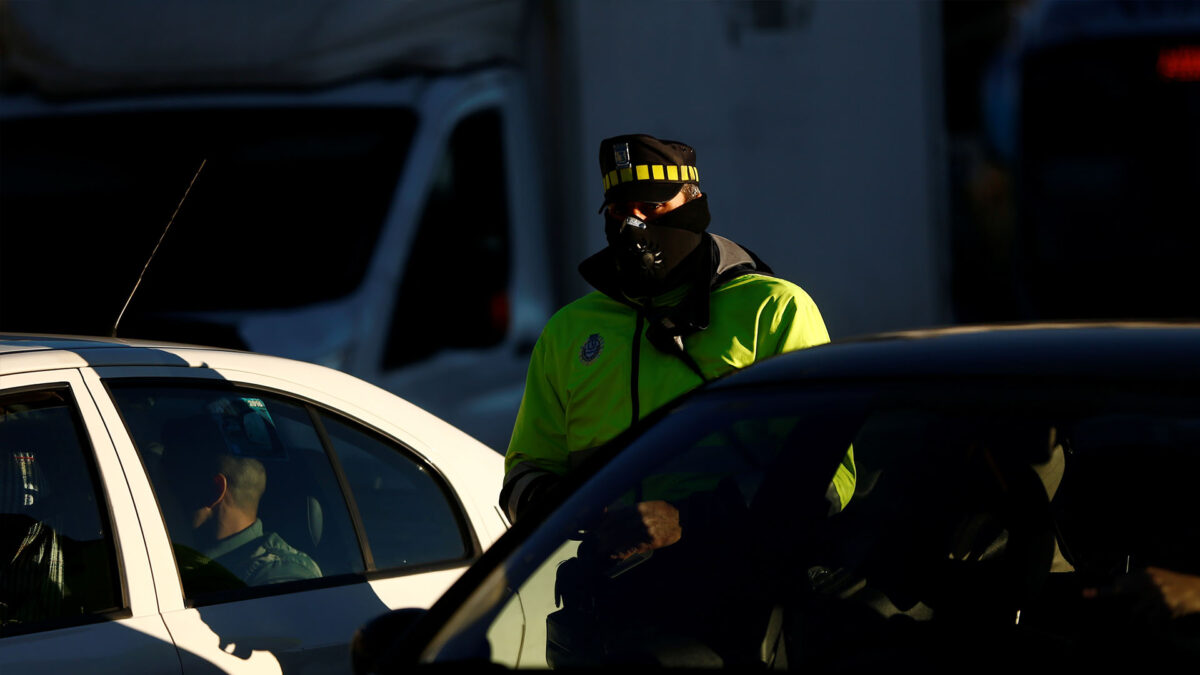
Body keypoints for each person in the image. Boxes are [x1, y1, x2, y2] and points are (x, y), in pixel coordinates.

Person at [500, 133, 856, 541]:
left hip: (743, 583)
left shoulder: (773, 310)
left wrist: (687, 521)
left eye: (651, 207)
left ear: (694, 203)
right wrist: (574, 508)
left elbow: (828, 479)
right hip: (611, 588)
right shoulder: (569, 330)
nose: (634, 226)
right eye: (619, 211)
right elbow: (525, 473)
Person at [162, 415, 321, 590]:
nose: (158, 492)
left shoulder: (281, 574)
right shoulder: (181, 558)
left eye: (169, 480)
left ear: (214, 491)